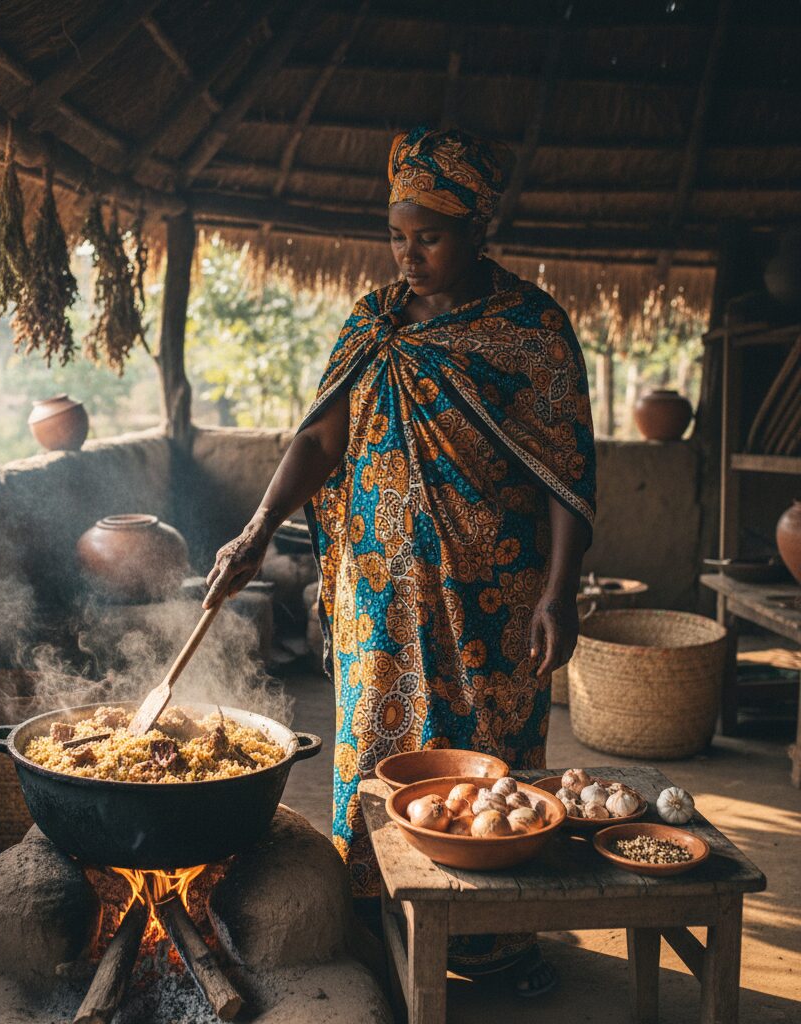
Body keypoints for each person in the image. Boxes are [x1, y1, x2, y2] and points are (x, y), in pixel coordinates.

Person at [203, 125, 596, 997]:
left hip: (494, 601)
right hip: (378, 597)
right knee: (377, 762)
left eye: (430, 236)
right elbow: (319, 440)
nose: (408, 256)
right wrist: (259, 528)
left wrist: (559, 595)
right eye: (396, 236)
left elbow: (569, 476)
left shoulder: (530, 331)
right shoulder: (374, 322)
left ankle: (493, 945)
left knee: (489, 770)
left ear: (476, 229)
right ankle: (378, 937)